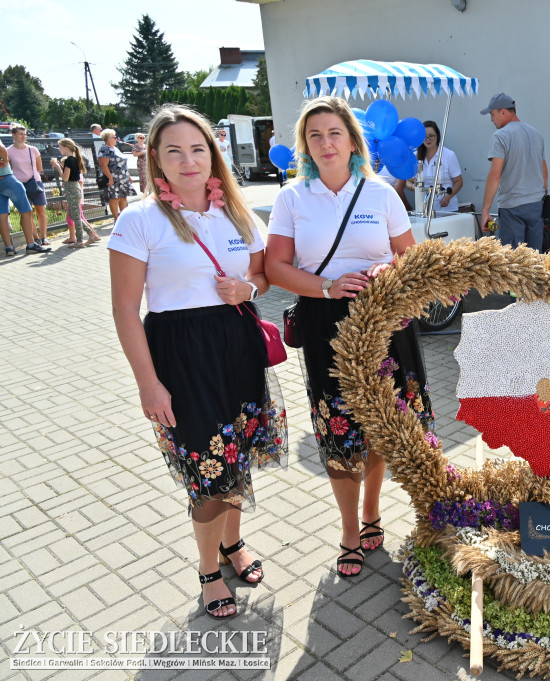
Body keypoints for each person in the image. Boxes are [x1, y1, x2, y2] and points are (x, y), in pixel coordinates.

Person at [108, 104, 288, 618]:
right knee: (208, 468)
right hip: (181, 356)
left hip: (237, 347)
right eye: (174, 151)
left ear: (212, 154)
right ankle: (209, 570)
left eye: (197, 149)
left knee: (238, 456)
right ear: (156, 161)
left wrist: (247, 287)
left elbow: (263, 276)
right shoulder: (140, 219)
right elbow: (125, 308)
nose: (189, 161)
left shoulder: (236, 212)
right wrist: (148, 383)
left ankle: (233, 545)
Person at [265, 96, 434, 577]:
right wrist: (326, 285)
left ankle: (372, 514)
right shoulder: (291, 198)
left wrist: (388, 267)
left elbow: (411, 258)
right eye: (314, 135)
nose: (325, 143)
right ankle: (346, 531)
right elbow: (275, 268)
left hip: (384, 319)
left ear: (352, 140)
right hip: (326, 325)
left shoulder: (380, 193)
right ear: (304, 146)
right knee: (340, 430)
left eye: (334, 133)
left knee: (382, 422)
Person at [479, 93, 548, 250]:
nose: (491, 119)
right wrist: (543, 196)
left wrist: (485, 210)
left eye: (492, 114)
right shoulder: (536, 134)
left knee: (513, 264)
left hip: (512, 208)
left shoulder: (500, 136)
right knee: (534, 260)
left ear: (503, 111)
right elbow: (544, 170)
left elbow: (495, 176)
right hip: (536, 206)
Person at [7, 124, 51, 250]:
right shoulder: (9, 151)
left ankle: (44, 237)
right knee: (27, 213)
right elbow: (9, 168)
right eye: (21, 134)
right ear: (13, 135)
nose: (23, 136)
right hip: (19, 185)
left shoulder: (33, 149)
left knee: (40, 210)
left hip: (35, 182)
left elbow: (39, 168)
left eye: (25, 134)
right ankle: (35, 238)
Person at [51, 139, 101, 248]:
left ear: (66, 147)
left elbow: (65, 178)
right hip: (74, 189)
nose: (59, 150)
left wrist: (58, 167)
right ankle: (92, 235)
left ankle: (80, 240)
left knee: (76, 216)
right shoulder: (73, 159)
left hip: (72, 189)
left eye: (60, 147)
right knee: (75, 215)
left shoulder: (69, 160)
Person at [0, 144, 40, 255]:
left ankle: (9, 247)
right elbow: (3, 154)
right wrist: (5, 159)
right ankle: (31, 244)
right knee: (26, 211)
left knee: (2, 215)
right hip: (8, 179)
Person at [417, 120, 463, 214]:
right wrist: (417, 190)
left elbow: (459, 181)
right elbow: (408, 182)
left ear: (437, 136)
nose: (428, 139)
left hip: (447, 210)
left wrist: (448, 196)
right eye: (425, 137)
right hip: (424, 210)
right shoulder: (416, 156)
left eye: (431, 136)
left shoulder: (448, 155)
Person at [97, 129, 137, 221]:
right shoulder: (104, 149)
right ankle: (116, 219)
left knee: (123, 197)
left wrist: (128, 176)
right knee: (114, 198)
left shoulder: (116, 149)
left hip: (123, 178)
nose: (116, 138)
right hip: (114, 178)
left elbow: (123, 164)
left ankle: (124, 218)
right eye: (114, 137)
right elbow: (103, 165)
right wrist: (110, 178)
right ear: (108, 138)